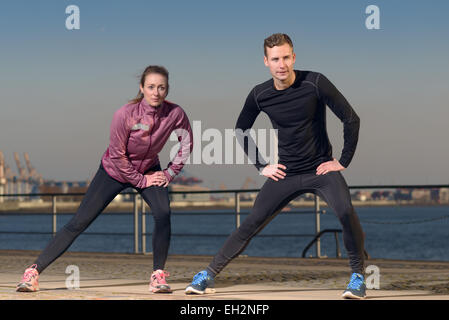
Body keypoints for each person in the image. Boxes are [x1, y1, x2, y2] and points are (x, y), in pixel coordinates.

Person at [185, 33, 367, 299]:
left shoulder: (315, 82)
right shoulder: (260, 94)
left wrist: (342, 161)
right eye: (275, 59)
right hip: (286, 173)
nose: (281, 64)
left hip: (320, 171)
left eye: (285, 57)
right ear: (266, 62)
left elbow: (351, 118)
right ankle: (208, 275)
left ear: (293, 57)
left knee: (345, 211)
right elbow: (241, 129)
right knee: (251, 222)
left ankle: (358, 277)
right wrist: (262, 166)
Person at [17, 65, 193, 293]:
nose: (156, 92)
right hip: (114, 171)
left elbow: (186, 143)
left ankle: (158, 276)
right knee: (79, 222)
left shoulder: (175, 113)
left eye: (161, 87)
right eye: (151, 87)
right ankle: (33, 272)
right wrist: (141, 181)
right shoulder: (125, 114)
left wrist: (169, 173)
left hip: (150, 169)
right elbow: (118, 155)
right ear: (142, 88)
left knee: (163, 213)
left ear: (167, 90)